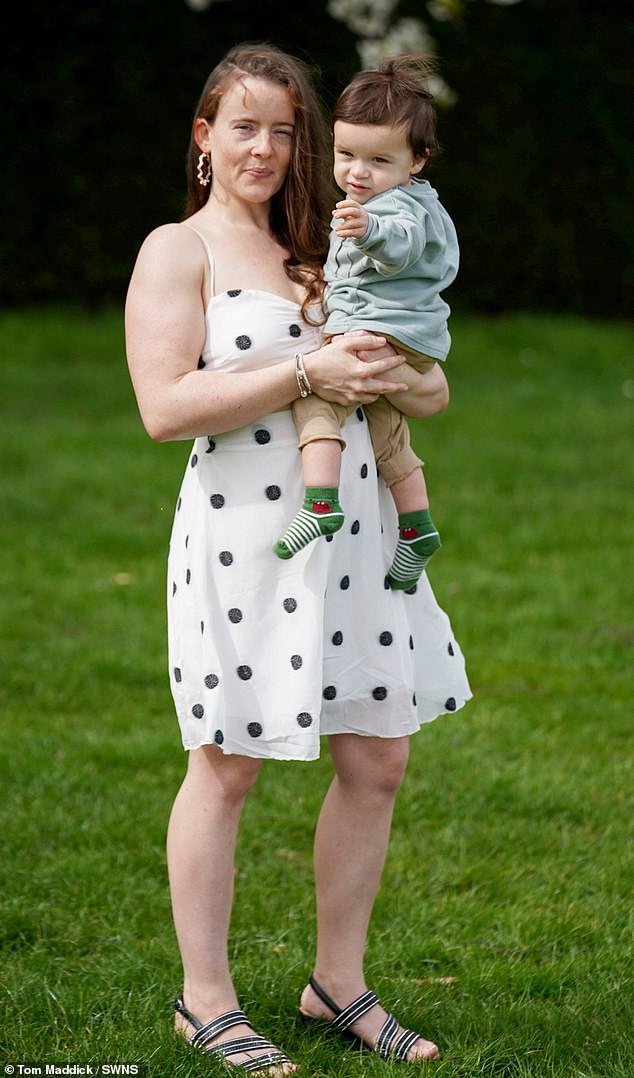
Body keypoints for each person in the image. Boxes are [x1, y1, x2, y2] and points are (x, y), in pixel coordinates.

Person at [125, 42, 471, 1074]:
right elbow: (164, 408)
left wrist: (389, 379)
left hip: (354, 529)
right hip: (246, 538)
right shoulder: (175, 251)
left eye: (285, 129)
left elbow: (429, 387)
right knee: (227, 765)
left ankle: (337, 983)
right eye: (244, 126)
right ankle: (205, 997)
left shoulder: (329, 246)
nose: (266, 148)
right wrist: (303, 369)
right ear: (203, 137)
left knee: (377, 755)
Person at [274, 56, 458, 595]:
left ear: (416, 161)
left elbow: (400, 245)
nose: (357, 172)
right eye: (346, 154)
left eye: (379, 159)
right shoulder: (391, 196)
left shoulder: (396, 209)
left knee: (314, 396)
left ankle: (320, 503)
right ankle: (418, 528)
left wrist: (370, 227)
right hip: (407, 338)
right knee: (386, 432)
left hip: (384, 333)